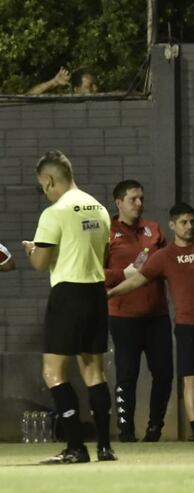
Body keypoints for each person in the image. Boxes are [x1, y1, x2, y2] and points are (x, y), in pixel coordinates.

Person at [108, 203, 194, 442]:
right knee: (190, 381)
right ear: (172, 225)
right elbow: (137, 280)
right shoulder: (163, 257)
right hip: (187, 327)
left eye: (192, 222)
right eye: (184, 222)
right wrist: (109, 294)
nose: (189, 226)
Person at [23, 150, 115, 464]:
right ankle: (105, 447)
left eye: (42, 185)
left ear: (49, 180)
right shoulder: (100, 209)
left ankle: (76, 447)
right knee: (94, 372)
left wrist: (32, 250)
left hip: (68, 294)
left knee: (53, 372)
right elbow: (105, 258)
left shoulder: (54, 212)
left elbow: (40, 263)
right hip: (96, 293)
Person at [104, 180, 173, 443]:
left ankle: (155, 428)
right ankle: (126, 432)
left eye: (141, 199)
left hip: (157, 316)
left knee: (165, 374)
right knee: (127, 376)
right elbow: (94, 273)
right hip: (123, 317)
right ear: (119, 202)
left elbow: (167, 264)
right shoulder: (106, 233)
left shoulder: (153, 230)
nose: (139, 204)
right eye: (133, 199)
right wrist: (122, 274)